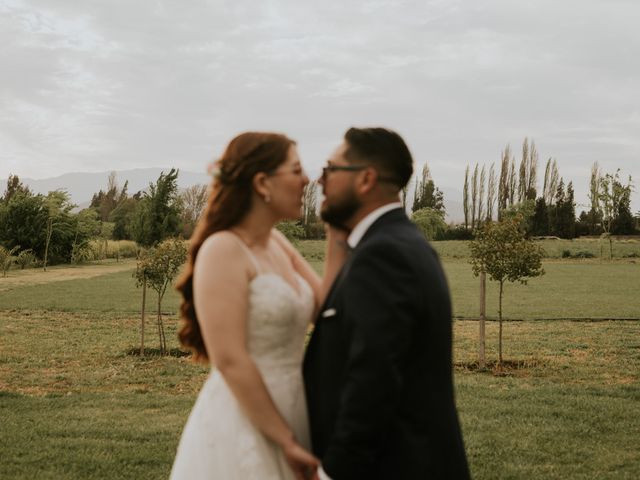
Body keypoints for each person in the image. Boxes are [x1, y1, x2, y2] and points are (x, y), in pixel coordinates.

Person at [171, 132, 347, 480]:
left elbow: (326, 308)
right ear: (263, 183)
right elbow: (231, 359)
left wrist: (336, 228)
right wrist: (285, 440)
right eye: (296, 170)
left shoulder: (277, 242)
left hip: (295, 406)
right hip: (245, 418)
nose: (307, 179)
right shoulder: (223, 249)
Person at [303, 127, 471, 479]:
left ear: (365, 179)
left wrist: (333, 472)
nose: (319, 180)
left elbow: (373, 378)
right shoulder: (401, 243)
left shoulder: (382, 255)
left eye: (330, 169)